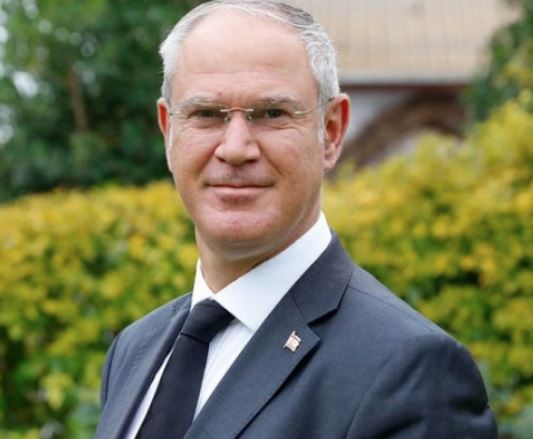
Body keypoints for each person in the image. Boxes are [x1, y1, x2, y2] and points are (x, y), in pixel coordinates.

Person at [95, 1, 497, 438]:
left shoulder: (410, 370)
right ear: (168, 130)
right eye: (206, 114)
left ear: (331, 132)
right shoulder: (134, 350)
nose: (235, 148)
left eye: (271, 113)